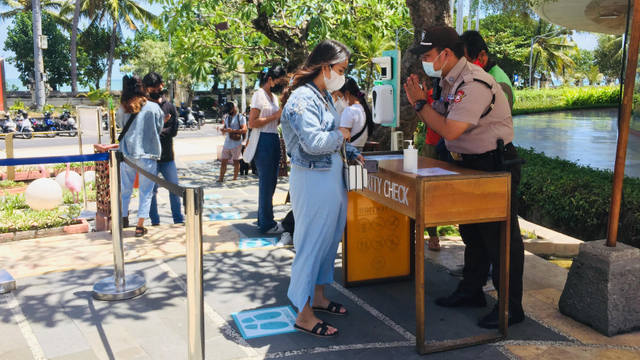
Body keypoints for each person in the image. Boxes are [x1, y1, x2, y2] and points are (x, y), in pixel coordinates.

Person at [404, 25, 525, 329]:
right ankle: (472, 291)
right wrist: (422, 103)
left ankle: (511, 307)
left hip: (493, 166)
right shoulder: (448, 81)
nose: (424, 62)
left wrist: (420, 103)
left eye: (428, 55)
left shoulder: (474, 83)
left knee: (500, 239)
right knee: (472, 233)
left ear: (446, 54)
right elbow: (441, 122)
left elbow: (448, 129)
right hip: (468, 164)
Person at [281, 39, 363, 338]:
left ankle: (317, 296)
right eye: (340, 69)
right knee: (311, 243)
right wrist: (343, 135)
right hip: (313, 180)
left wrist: (350, 150)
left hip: (329, 178)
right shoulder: (302, 99)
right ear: (325, 67)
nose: (342, 75)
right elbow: (315, 143)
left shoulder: (322, 94)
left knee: (328, 242)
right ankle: (303, 313)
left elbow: (332, 138)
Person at [116, 74, 164, 237]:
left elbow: (120, 124)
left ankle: (123, 219)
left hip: (127, 154)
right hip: (148, 154)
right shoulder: (154, 108)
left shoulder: (123, 108)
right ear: (143, 89)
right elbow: (158, 129)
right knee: (146, 191)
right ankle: (140, 226)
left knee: (125, 189)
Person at [248, 66, 289, 233]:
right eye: (279, 82)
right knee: (266, 182)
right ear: (270, 79)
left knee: (271, 181)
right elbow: (252, 122)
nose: (280, 85)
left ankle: (263, 219)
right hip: (263, 139)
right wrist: (275, 116)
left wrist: (278, 117)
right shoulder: (259, 95)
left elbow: (275, 121)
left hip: (272, 137)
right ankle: (267, 223)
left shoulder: (272, 97)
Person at [143, 73, 184, 226]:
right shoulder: (143, 107)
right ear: (147, 89)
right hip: (149, 158)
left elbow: (172, 131)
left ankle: (178, 220)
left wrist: (155, 131)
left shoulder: (169, 106)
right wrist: (161, 127)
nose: (157, 90)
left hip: (167, 158)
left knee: (175, 189)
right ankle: (155, 222)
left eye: (158, 87)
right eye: (153, 89)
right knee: (151, 193)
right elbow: (144, 133)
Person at [460, 30, 515, 110]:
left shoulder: (496, 82)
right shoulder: (483, 76)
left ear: (482, 56)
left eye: (467, 62)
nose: (464, 68)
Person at [332, 77, 374, 151]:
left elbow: (342, 138)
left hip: (348, 152)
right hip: (358, 151)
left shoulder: (349, 111)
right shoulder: (363, 109)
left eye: (339, 96)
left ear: (347, 93)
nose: (338, 99)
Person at [217, 102, 247, 182]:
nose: (229, 111)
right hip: (227, 142)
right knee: (223, 160)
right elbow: (225, 127)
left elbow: (244, 130)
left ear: (234, 108)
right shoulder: (227, 117)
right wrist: (223, 130)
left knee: (236, 161)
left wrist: (232, 130)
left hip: (236, 143)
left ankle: (234, 178)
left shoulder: (240, 117)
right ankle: (221, 178)